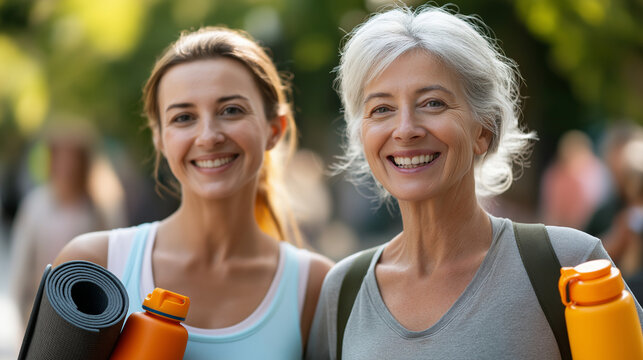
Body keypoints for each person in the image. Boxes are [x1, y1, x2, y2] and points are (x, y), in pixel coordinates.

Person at [305, 6, 643, 360]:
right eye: (382, 109)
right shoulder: (342, 292)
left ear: (484, 130)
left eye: (432, 103)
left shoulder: (570, 264)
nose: (405, 129)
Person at [54, 27, 333, 359]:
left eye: (231, 110)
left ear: (274, 130)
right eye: (184, 117)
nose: (208, 136)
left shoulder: (317, 286)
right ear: (159, 137)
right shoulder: (93, 264)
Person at [9, 119, 113, 327]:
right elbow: (21, 265)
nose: (66, 165)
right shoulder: (36, 205)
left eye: (72, 158)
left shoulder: (98, 209)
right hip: (40, 310)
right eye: (60, 157)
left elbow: (113, 265)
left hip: (85, 314)